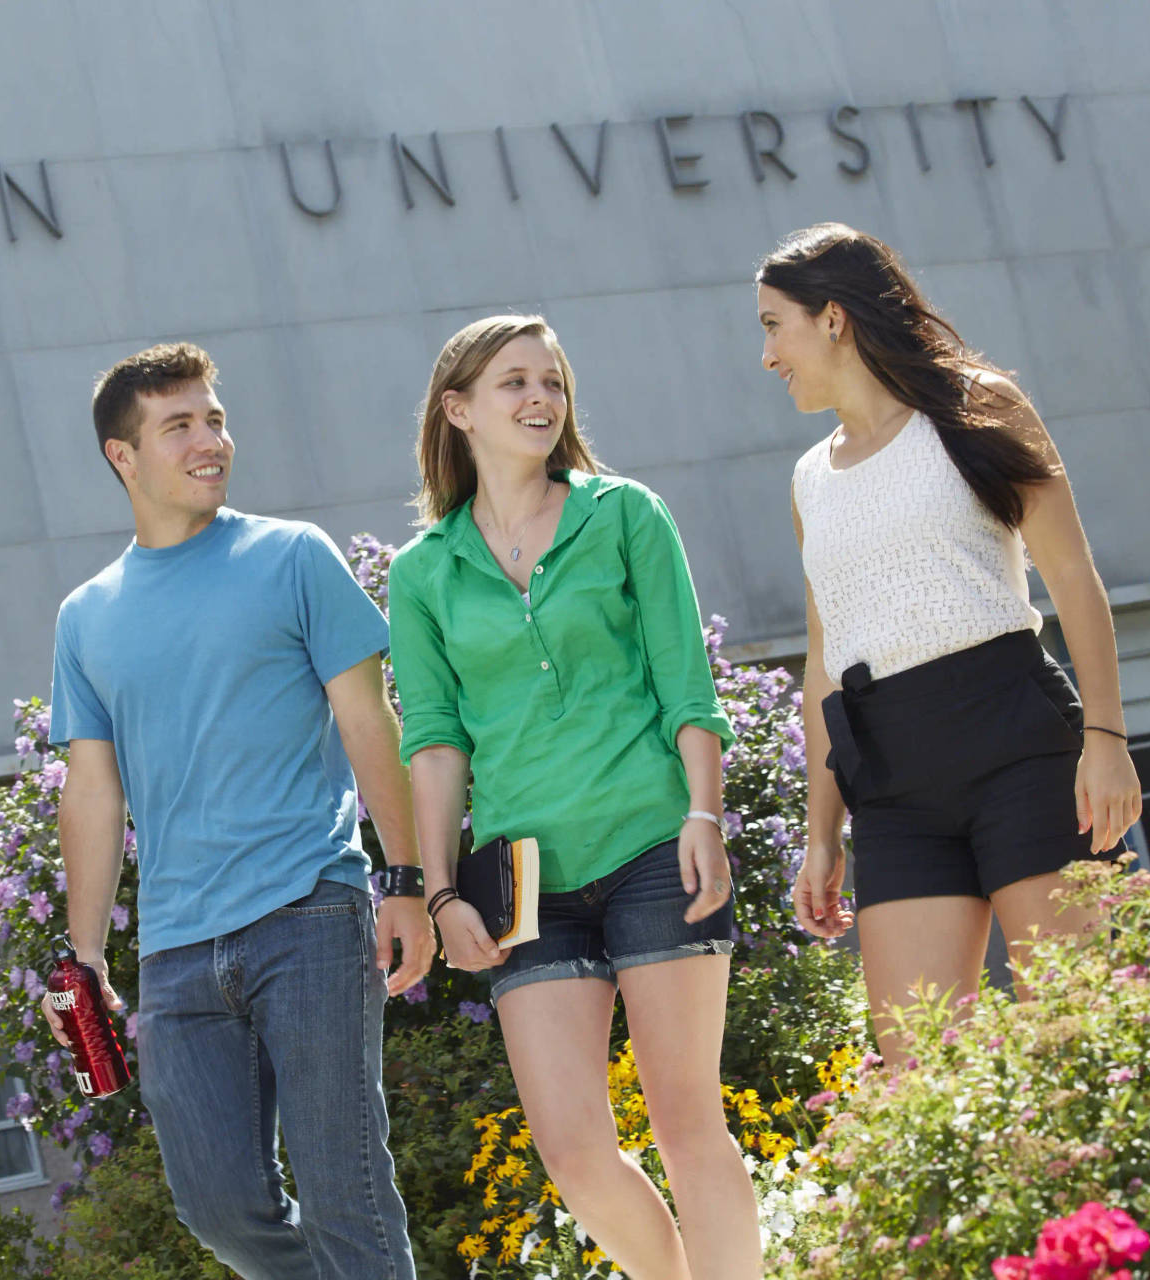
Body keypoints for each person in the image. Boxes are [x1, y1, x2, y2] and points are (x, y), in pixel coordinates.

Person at [40, 342, 432, 1280]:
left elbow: (366, 717)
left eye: (214, 419)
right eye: (179, 426)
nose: (209, 440)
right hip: (177, 950)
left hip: (310, 909)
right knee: (217, 1206)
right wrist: (85, 960)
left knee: (344, 1185)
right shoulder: (86, 616)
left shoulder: (291, 555)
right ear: (122, 457)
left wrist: (408, 879)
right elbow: (93, 791)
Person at [390, 315, 762, 1280]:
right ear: (458, 409)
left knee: (687, 1126)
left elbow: (687, 685)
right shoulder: (425, 573)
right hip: (523, 881)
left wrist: (705, 816)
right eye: (512, 382)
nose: (539, 400)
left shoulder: (625, 514)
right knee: (575, 1154)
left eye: (551, 381)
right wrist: (439, 891)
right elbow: (434, 744)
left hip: (652, 845)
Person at [756, 222, 1143, 1063]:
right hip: (891, 784)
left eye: (772, 325)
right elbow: (824, 660)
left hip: (1018, 741)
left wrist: (1107, 739)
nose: (767, 355)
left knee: (1087, 1042)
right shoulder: (808, 480)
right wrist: (822, 833)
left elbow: (1074, 578)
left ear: (833, 318)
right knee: (919, 1071)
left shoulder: (977, 407)